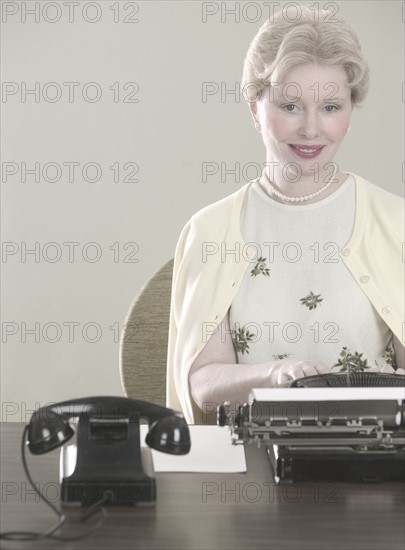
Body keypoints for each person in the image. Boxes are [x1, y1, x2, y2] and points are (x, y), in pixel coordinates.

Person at [166, 5, 405, 424]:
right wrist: (277, 376)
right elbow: (202, 385)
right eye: (290, 106)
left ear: (351, 111)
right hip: (252, 468)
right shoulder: (211, 230)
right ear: (255, 109)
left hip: (377, 462)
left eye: (331, 107)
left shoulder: (395, 223)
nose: (311, 129)